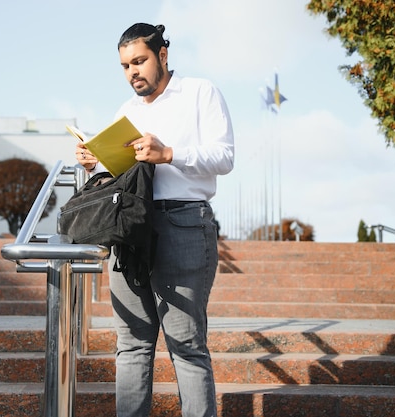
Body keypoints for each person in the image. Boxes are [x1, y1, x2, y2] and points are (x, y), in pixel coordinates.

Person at [75, 23, 234, 417]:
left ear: (163, 55)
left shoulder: (201, 92)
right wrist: (96, 162)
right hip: (129, 229)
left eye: (140, 61)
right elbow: (121, 176)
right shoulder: (125, 112)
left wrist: (169, 153)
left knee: (186, 345)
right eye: (126, 65)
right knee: (130, 344)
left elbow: (225, 156)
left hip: (183, 222)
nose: (133, 72)